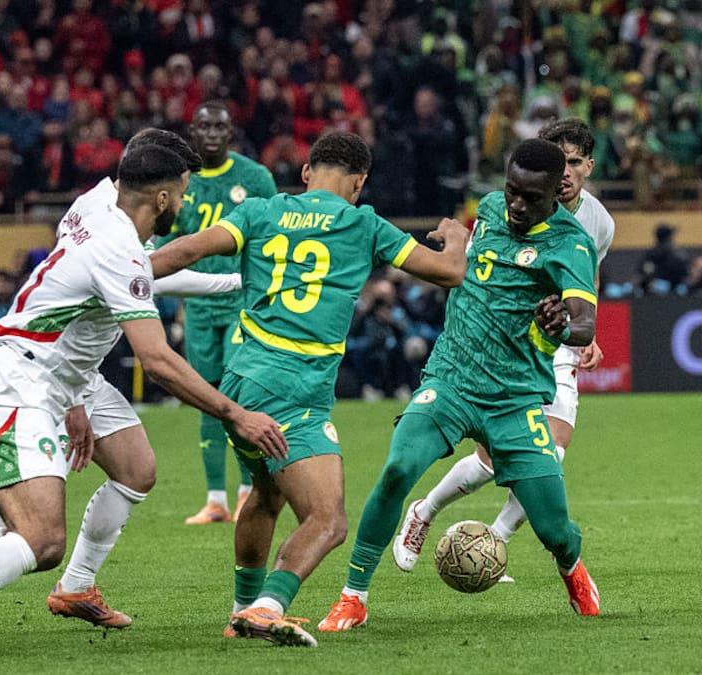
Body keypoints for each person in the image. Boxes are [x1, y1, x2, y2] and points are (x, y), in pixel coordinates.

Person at [0, 142, 287, 661]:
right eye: (183, 193)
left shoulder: (96, 201)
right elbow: (157, 360)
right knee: (40, 539)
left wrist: (241, 284)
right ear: (163, 197)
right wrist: (236, 415)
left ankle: (69, 585)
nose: (185, 203)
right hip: (18, 383)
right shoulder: (118, 248)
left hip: (63, 376)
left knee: (136, 467)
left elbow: (138, 275)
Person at [150, 131, 468, 647]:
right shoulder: (364, 224)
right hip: (292, 390)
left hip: (240, 380)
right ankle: (267, 607)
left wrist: (120, 277)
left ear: (305, 174)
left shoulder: (260, 211)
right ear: (360, 183)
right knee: (328, 519)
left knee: (266, 494)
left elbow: (186, 249)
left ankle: (241, 612)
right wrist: (456, 236)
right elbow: (450, 272)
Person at [318, 139, 602, 634]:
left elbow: (585, 324)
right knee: (398, 467)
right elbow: (461, 261)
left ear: (556, 191)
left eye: (530, 198)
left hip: (514, 398)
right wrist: (453, 236)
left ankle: (571, 567)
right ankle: (353, 596)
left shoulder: (570, 243)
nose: (516, 205)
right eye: (511, 191)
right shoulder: (489, 209)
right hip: (452, 379)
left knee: (554, 528)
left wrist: (562, 326)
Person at [389, 119, 616, 582]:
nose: (566, 172)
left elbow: (586, 281)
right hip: (506, 345)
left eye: (574, 162)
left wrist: (585, 333)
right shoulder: (503, 207)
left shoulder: (600, 222)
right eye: (559, 161)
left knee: (553, 452)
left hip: (555, 342)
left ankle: (492, 541)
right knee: (490, 463)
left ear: (589, 166)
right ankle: (424, 511)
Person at [157, 100, 279, 526]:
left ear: (231, 133)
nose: (211, 134)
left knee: (238, 392)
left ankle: (247, 492)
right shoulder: (180, 180)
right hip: (197, 305)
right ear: (192, 131)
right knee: (205, 396)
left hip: (241, 302)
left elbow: (275, 234)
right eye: (203, 126)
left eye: (219, 127)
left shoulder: (255, 178)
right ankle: (215, 501)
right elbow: (165, 239)